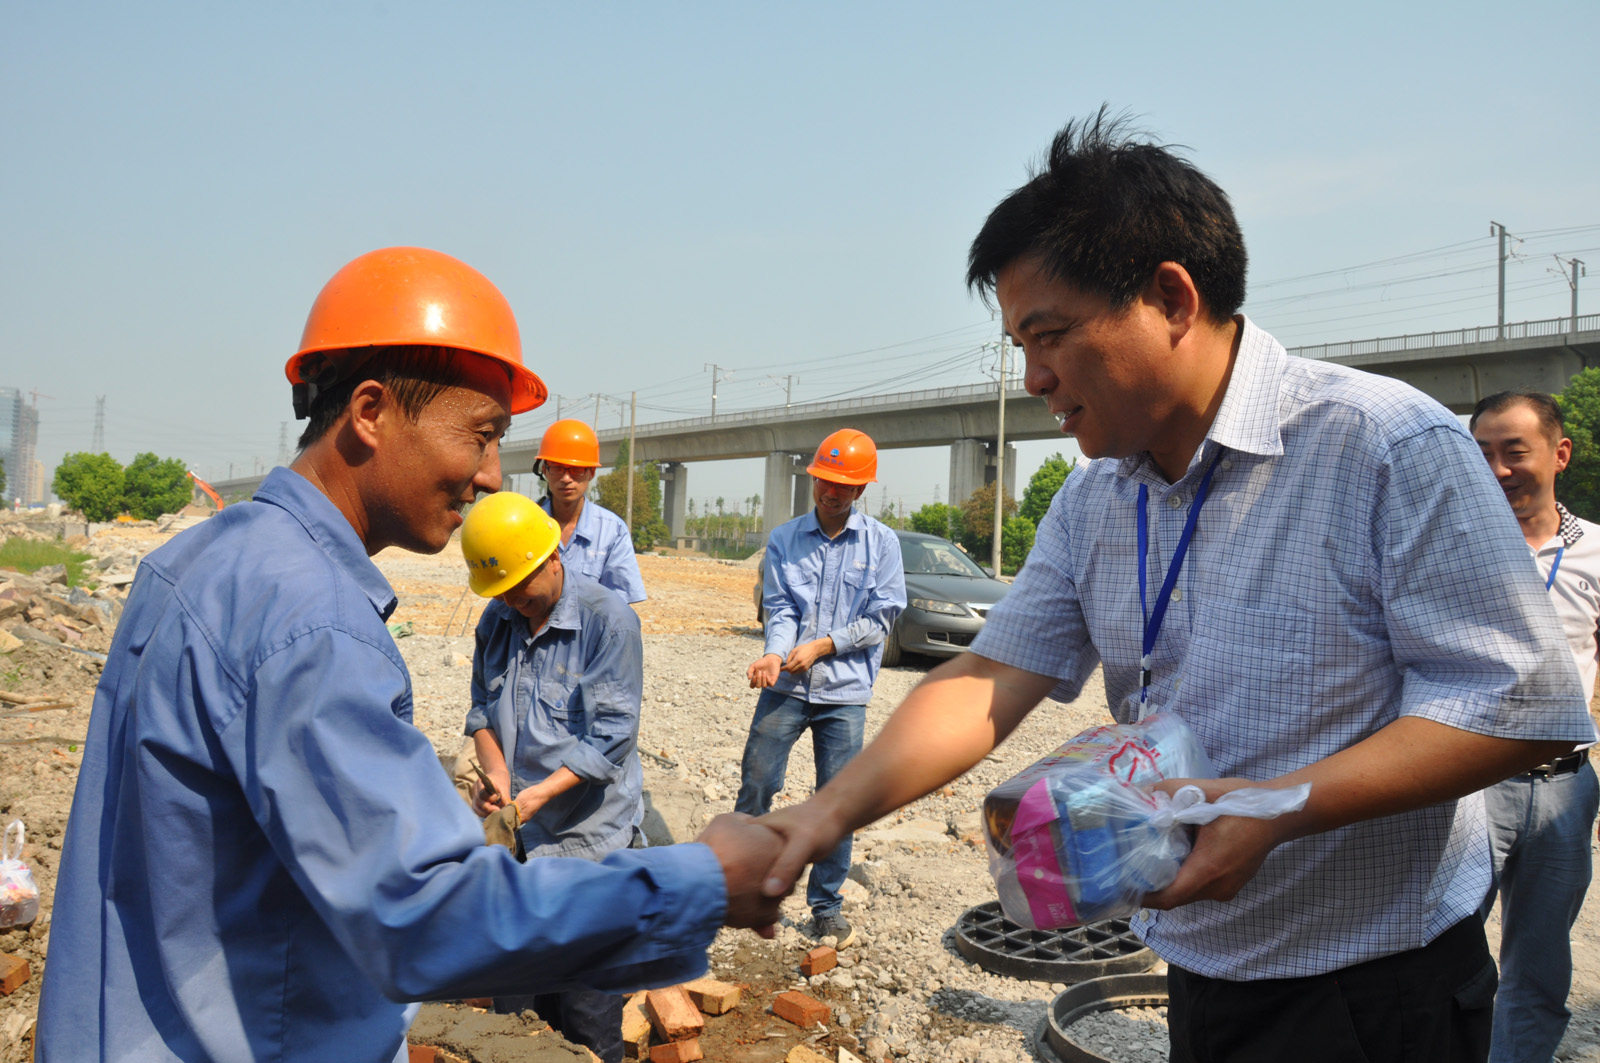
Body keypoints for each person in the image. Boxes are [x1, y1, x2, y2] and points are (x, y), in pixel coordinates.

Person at [751, 114, 1593, 1063]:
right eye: (1019, 345)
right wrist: (823, 814)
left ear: (1171, 298)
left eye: (1049, 336)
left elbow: (1521, 707)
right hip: (1194, 964)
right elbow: (988, 678)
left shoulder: (1383, 446)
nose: (1034, 378)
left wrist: (1278, 807)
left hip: (1372, 988)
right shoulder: (1094, 498)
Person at [37, 246, 783, 1063]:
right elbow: (430, 919)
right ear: (371, 411)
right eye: (482, 434)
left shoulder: (191, 563)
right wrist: (704, 881)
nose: (492, 475)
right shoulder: (314, 622)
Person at [458, 491, 647, 1063]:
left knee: (586, 1018)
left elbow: (611, 737)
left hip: (587, 850)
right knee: (516, 1017)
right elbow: (481, 712)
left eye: (521, 587)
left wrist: (538, 795)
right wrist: (496, 776)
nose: (513, 601)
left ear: (553, 557)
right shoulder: (498, 619)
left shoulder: (607, 622)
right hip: (520, 854)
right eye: (501, 592)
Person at [736, 428, 905, 949]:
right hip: (786, 688)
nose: (830, 492)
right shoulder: (785, 539)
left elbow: (881, 618)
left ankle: (826, 907)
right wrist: (775, 652)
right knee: (757, 783)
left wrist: (824, 646)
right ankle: (740, 888)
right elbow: (781, 607)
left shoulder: (881, 543)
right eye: (823, 481)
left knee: (837, 802)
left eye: (842, 485)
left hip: (845, 695)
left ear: (861, 489)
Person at [1470, 390, 1600, 1063]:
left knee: (1540, 962)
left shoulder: (1597, 554)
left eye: (1514, 451)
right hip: (1468, 781)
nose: (1498, 469)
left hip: (1565, 788)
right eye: (1483, 453)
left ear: (1560, 453)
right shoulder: (1454, 548)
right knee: (1445, 948)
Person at [534, 418, 647, 605]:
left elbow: (618, 607)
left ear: (591, 472)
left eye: (576, 470)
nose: (566, 478)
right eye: (557, 468)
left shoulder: (612, 532)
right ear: (545, 471)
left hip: (588, 625)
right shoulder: (526, 524)